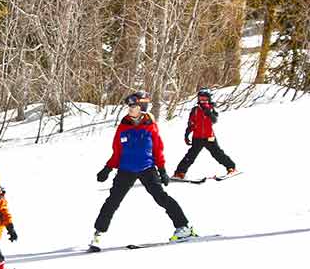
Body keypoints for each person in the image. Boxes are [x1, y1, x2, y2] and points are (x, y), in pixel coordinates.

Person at [90, 91, 194, 251]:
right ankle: (98, 235)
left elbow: (158, 150)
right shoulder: (123, 126)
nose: (129, 109)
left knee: (162, 198)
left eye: (133, 106)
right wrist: (108, 168)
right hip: (126, 169)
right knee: (112, 201)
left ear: (141, 107)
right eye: (129, 106)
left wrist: (162, 170)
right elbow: (117, 151)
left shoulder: (151, 126)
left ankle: (184, 227)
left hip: (147, 168)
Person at [173, 88, 236, 179]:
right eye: (200, 98)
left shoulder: (212, 108)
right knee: (191, 155)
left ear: (209, 99)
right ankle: (179, 173)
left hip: (209, 137)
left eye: (205, 99)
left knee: (217, 153)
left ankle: (231, 167)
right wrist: (186, 135)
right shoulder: (195, 110)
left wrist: (209, 112)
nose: (202, 101)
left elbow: (215, 120)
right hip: (197, 137)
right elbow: (191, 124)